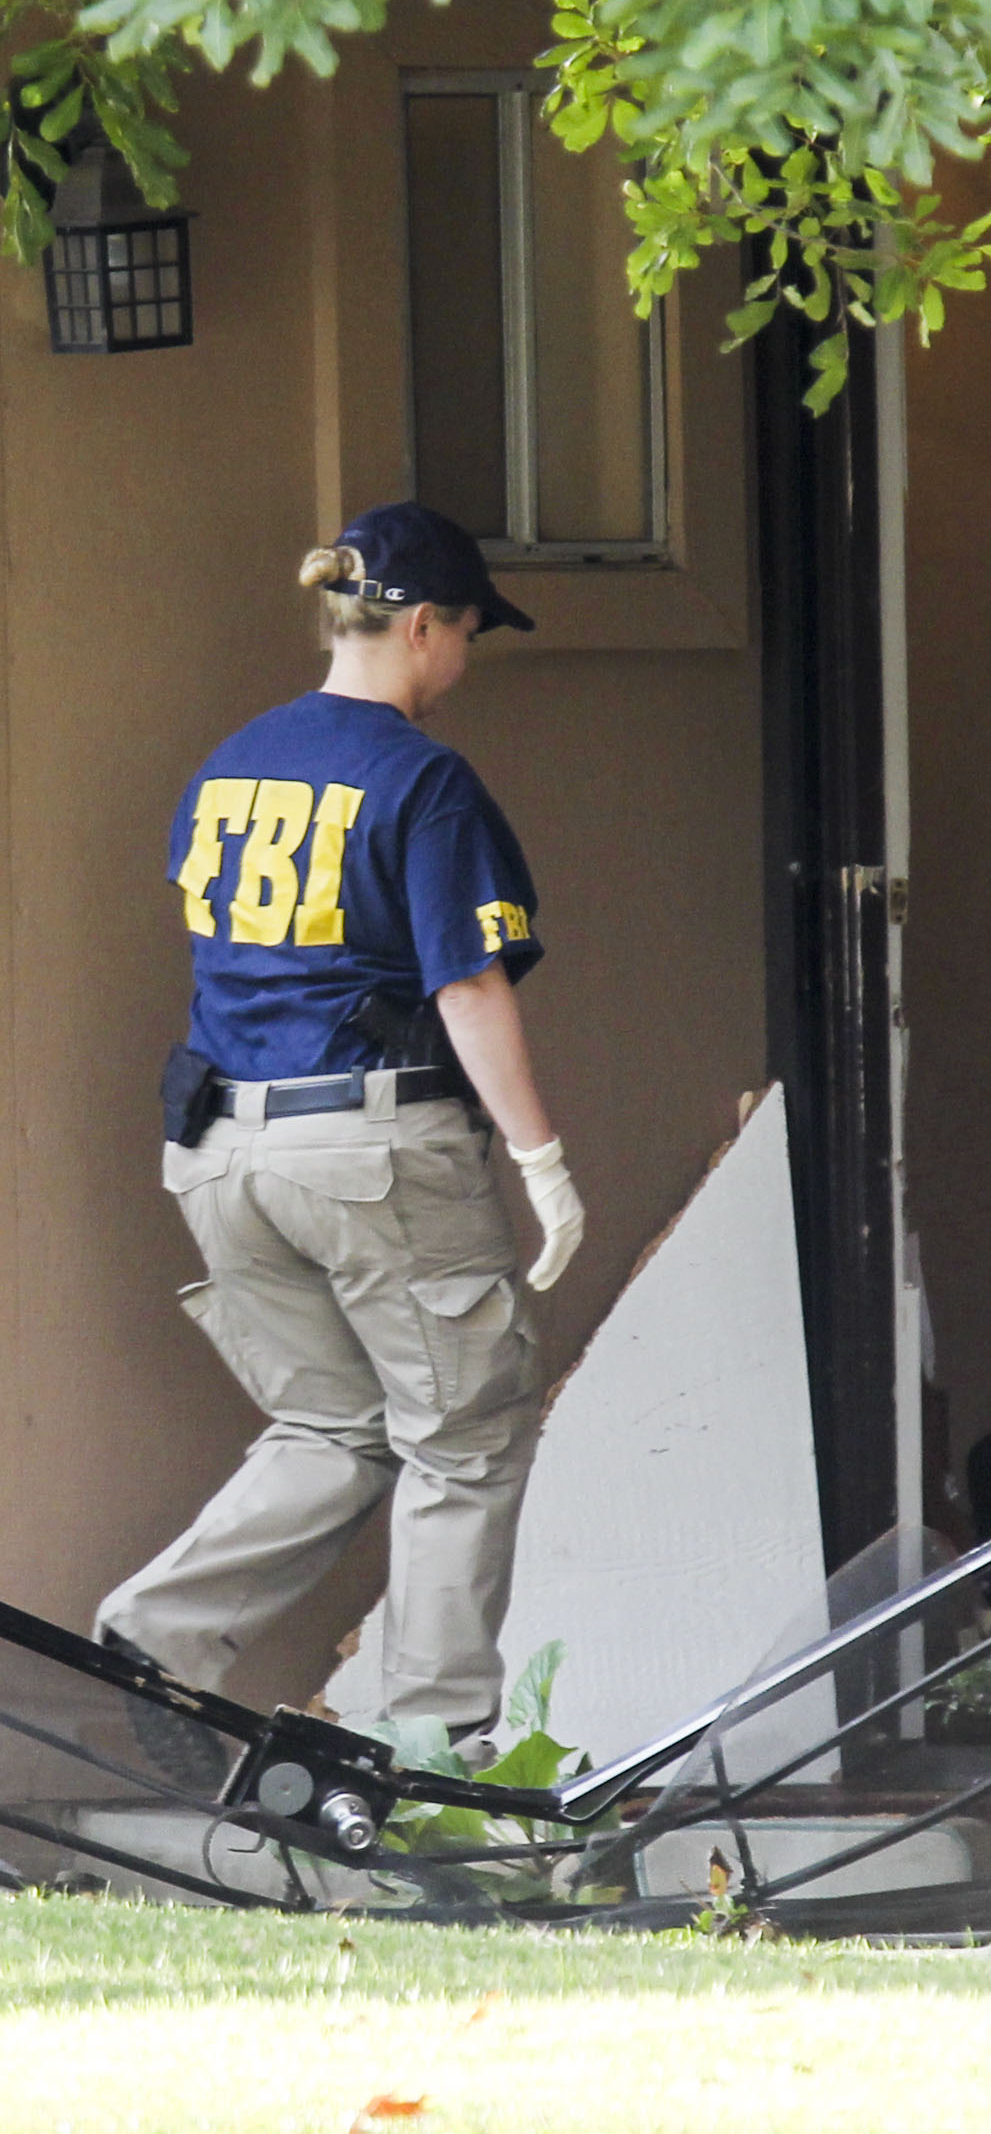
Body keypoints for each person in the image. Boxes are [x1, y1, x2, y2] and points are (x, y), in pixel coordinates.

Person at [96, 502, 583, 1760]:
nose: (467, 658)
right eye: (469, 630)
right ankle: (437, 1754)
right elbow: (466, 986)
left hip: (219, 1154)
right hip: (367, 1154)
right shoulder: (422, 778)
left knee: (335, 1423)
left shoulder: (229, 762)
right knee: (464, 1433)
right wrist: (543, 1161)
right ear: (423, 625)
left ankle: (156, 1634)